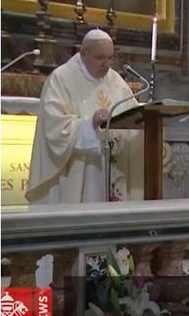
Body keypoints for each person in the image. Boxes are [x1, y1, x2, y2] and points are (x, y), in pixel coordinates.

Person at [26, 28, 144, 204]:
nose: (106, 64)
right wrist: (89, 124)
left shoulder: (115, 80)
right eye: (100, 58)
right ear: (84, 54)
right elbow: (54, 127)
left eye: (110, 58)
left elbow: (132, 114)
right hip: (78, 170)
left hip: (111, 167)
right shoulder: (62, 78)